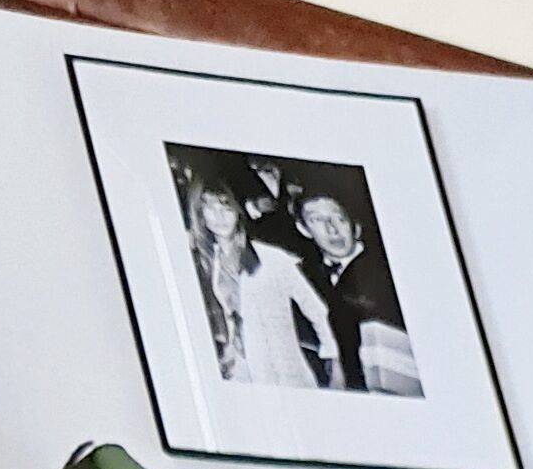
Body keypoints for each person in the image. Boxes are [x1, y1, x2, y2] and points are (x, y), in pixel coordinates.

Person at [179, 169, 338, 390]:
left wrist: (334, 361)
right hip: (243, 374)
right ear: (200, 215)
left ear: (237, 210)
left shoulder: (272, 259)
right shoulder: (211, 264)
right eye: (209, 208)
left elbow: (316, 310)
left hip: (286, 375)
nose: (219, 216)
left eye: (225, 206)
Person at [293, 185, 418, 398]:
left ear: (355, 226)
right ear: (304, 229)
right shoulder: (302, 276)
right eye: (317, 220)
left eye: (339, 218)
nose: (332, 229)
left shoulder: (390, 270)